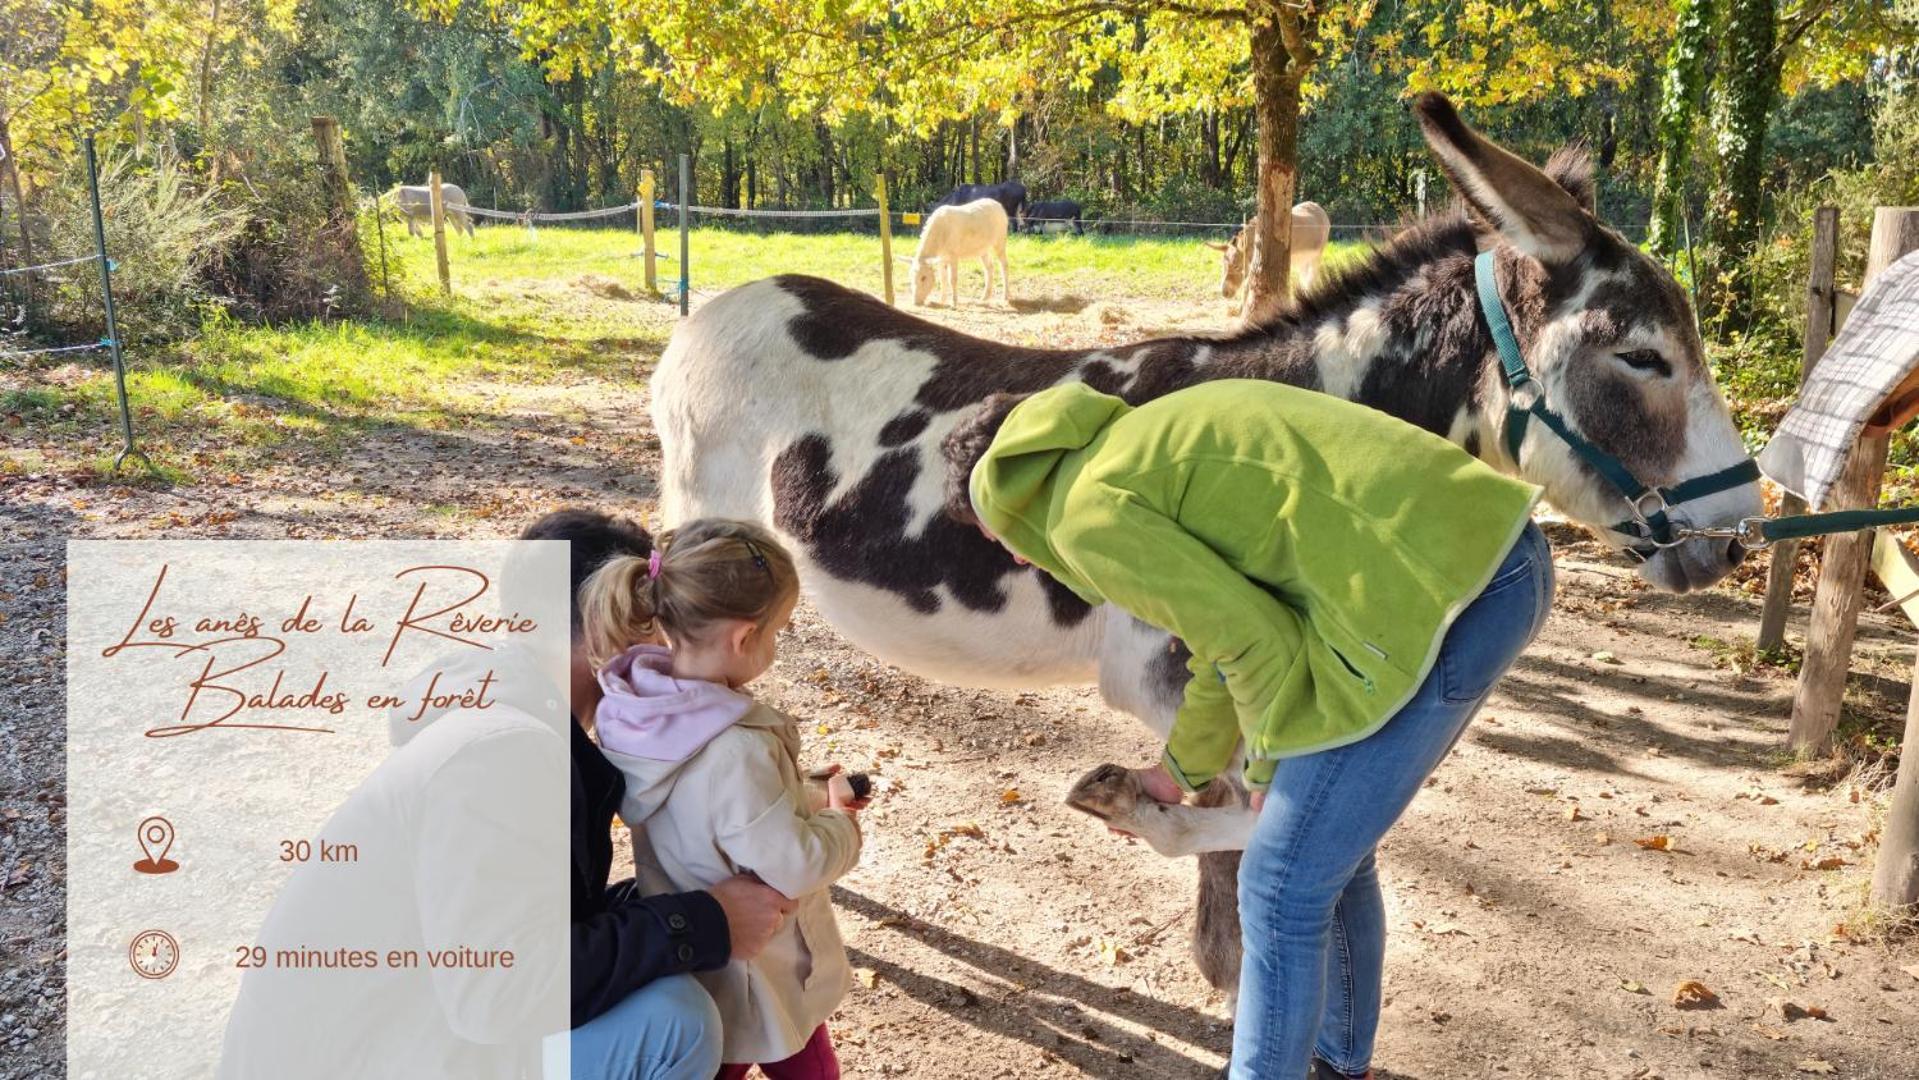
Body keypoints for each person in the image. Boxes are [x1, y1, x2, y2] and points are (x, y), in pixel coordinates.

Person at [940, 380, 1554, 1080]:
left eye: (1000, 539)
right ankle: (1332, 1062)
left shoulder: (1085, 513)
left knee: (1278, 882)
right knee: (1327, 852)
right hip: (1486, 563)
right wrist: (1175, 775)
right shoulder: (1125, 448)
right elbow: (1223, 643)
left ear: (1003, 494)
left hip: (1447, 596)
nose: (1017, 557)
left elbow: (1254, 645)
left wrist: (1263, 768)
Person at [580, 518, 867, 1080]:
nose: (776, 644)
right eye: (777, 630)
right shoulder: (734, 750)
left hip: (697, 956)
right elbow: (794, 863)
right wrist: (838, 824)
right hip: (765, 962)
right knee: (808, 1067)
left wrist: (800, 792)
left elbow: (717, 813)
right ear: (742, 637)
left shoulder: (638, 713)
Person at [541, 509, 798, 1080]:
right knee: (676, 1024)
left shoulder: (549, 731)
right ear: (620, 626)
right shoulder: (512, 761)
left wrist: (676, 897)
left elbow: (543, 921)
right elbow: (509, 982)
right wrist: (701, 920)